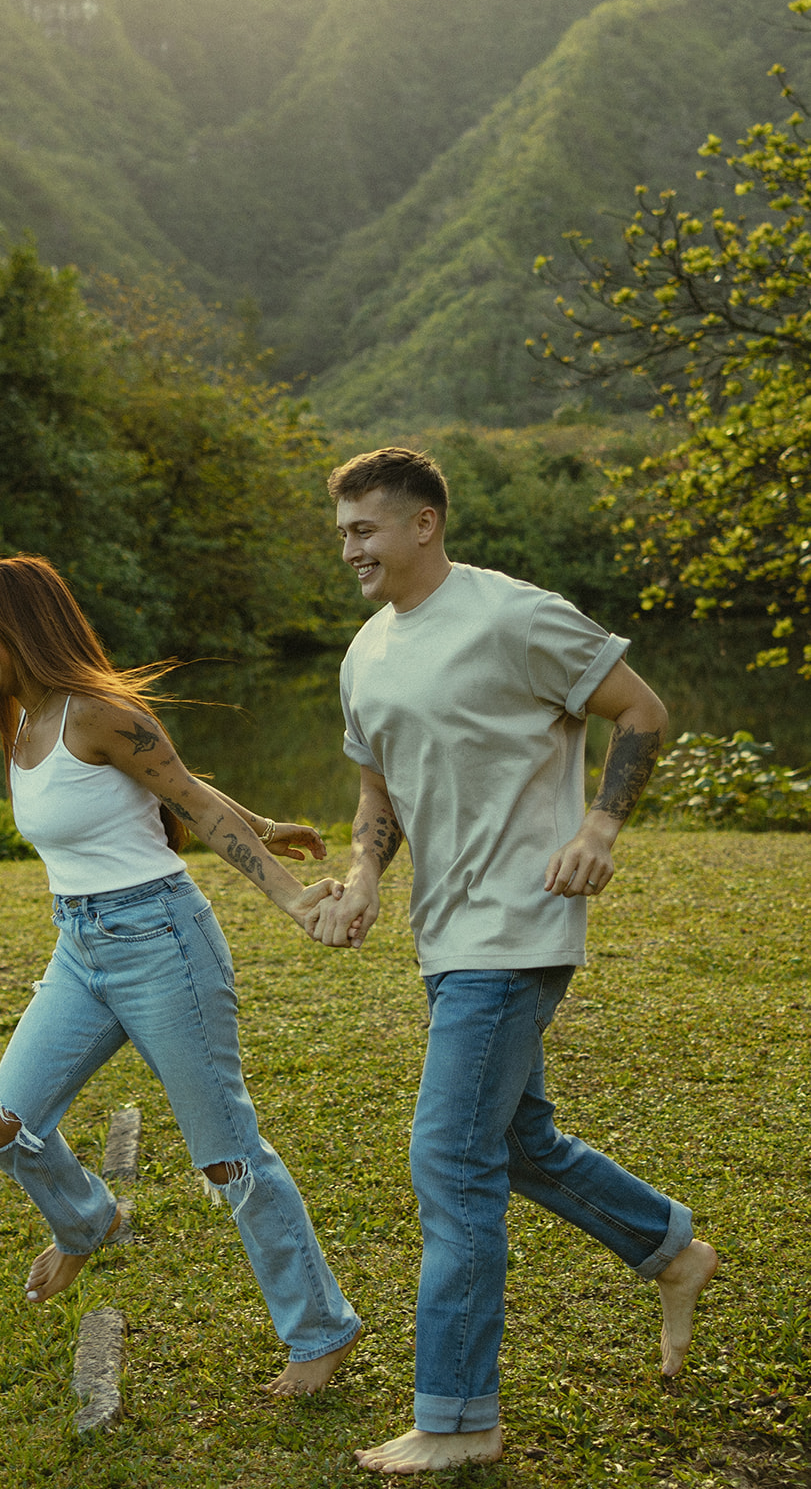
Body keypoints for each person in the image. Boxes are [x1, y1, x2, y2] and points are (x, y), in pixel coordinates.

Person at [310, 447, 717, 1473]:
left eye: (364, 527)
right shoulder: (365, 651)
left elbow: (640, 709)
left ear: (421, 526)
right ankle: (670, 1250)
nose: (349, 547)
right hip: (443, 935)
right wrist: (363, 875)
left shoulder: (512, 615)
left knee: (448, 1157)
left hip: (516, 928)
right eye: (343, 531)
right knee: (517, 1141)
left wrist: (599, 828)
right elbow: (378, 790)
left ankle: (458, 1418)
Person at [0, 553, 361, 1397]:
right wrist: (266, 821)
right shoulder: (17, 722)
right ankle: (88, 1222)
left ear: (22, 625)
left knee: (227, 1157)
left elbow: (189, 798)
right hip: (79, 948)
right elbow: (171, 790)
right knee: (1, 1124)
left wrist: (289, 898)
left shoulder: (99, 713)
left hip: (161, 942)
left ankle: (319, 1332)